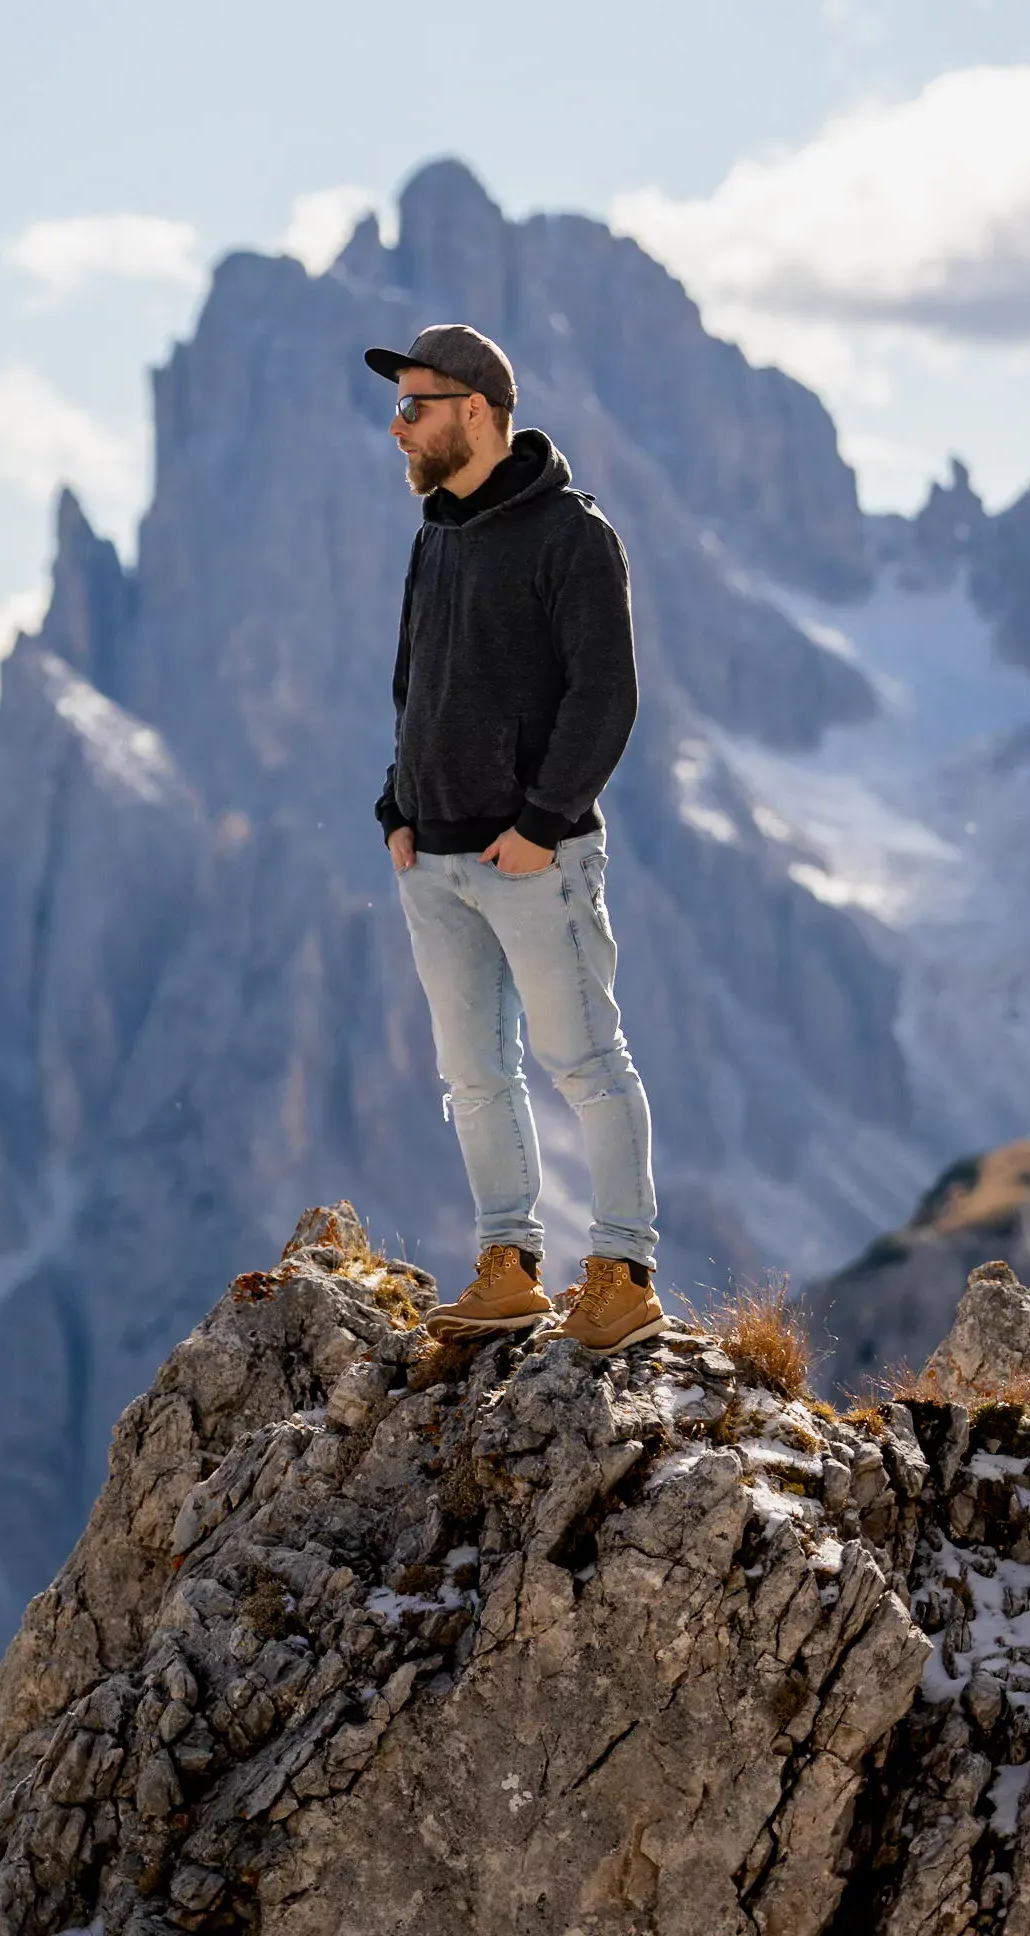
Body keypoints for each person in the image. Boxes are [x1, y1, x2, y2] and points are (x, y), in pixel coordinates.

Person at [367, 322, 662, 1354]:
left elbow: (606, 697)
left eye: (416, 407)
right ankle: (510, 1266)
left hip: (535, 859)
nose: (397, 426)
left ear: (481, 414)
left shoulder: (573, 537)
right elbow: (414, 685)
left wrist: (540, 824)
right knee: (474, 1076)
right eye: (398, 406)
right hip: (435, 863)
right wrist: (396, 809)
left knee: (585, 1059)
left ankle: (623, 1272)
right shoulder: (435, 535)